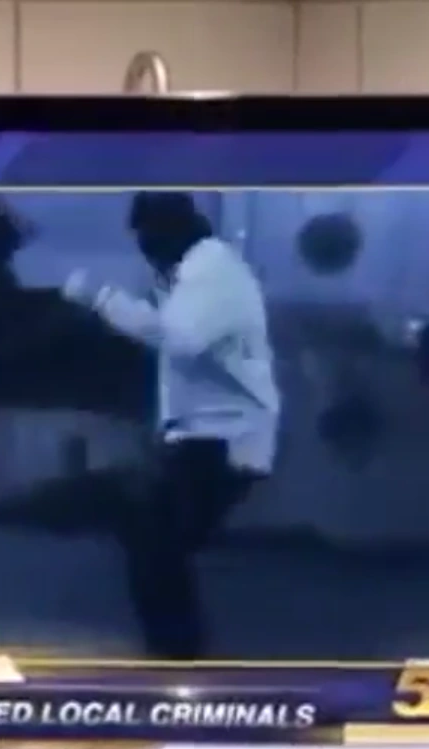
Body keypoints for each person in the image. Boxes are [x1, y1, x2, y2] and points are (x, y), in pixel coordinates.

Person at [61, 191, 283, 660]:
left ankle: (177, 653)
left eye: (145, 237)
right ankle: (175, 650)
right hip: (209, 435)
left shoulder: (212, 269)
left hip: (224, 439)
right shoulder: (195, 270)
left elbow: (179, 337)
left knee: (155, 542)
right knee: (154, 540)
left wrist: (101, 298)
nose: (143, 249)